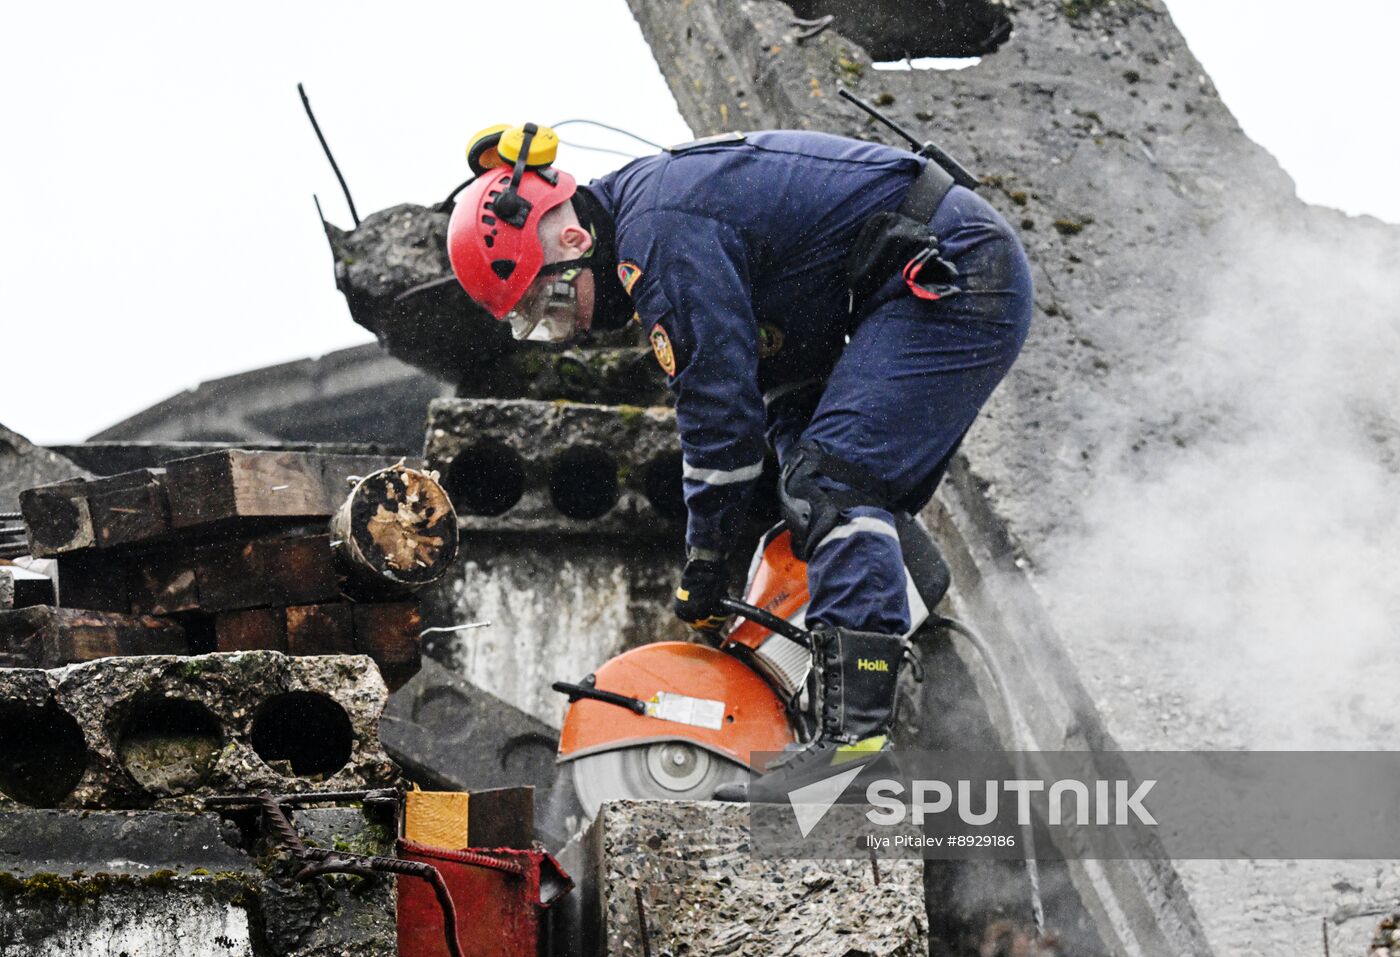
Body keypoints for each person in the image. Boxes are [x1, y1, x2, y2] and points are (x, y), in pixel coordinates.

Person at [447, 124, 1033, 800]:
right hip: (906, 282)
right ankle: (884, 634)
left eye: (551, 303)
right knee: (812, 485)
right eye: (540, 324)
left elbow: (718, 413)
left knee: (834, 486)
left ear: (574, 241)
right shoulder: (657, 219)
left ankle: (855, 748)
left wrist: (705, 558)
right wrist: (779, 505)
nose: (570, 326)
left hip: (951, 273)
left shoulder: (658, 236)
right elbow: (779, 388)